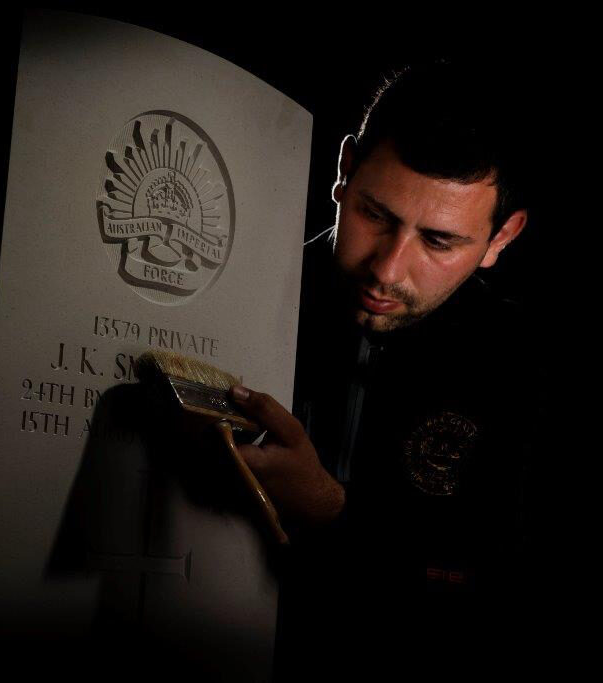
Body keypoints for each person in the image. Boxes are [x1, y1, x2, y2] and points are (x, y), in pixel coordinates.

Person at [228, 61, 546, 678]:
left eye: (439, 241)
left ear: (501, 238)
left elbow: (500, 598)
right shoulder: (229, 291)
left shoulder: (523, 372)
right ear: (344, 172)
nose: (388, 268)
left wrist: (329, 513)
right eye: (376, 214)